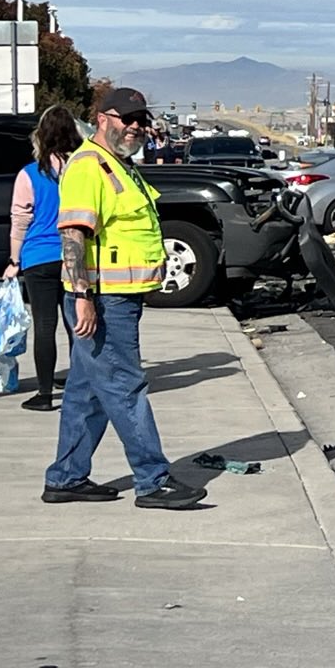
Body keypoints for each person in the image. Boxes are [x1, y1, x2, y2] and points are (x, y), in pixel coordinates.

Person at [43, 87, 203, 509]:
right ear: (101, 118)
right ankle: (153, 480)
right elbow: (73, 235)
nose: (135, 127)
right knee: (125, 387)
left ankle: (66, 477)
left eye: (140, 120)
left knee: (87, 391)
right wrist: (81, 297)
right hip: (102, 299)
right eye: (126, 118)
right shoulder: (87, 167)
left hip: (119, 298)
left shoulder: (121, 166)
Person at [6, 104, 84, 411]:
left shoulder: (29, 174)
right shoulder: (80, 169)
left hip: (38, 256)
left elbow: (20, 220)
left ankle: (44, 392)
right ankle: (80, 381)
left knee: (45, 325)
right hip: (73, 255)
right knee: (75, 324)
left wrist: (14, 261)